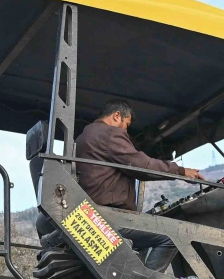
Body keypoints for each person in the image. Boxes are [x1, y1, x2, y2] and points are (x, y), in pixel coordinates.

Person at [74, 98, 204, 270]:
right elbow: (141, 165)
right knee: (173, 236)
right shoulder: (110, 134)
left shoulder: (83, 137)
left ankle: (141, 278)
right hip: (109, 216)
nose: (126, 131)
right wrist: (180, 171)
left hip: (92, 214)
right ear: (117, 116)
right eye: (126, 125)